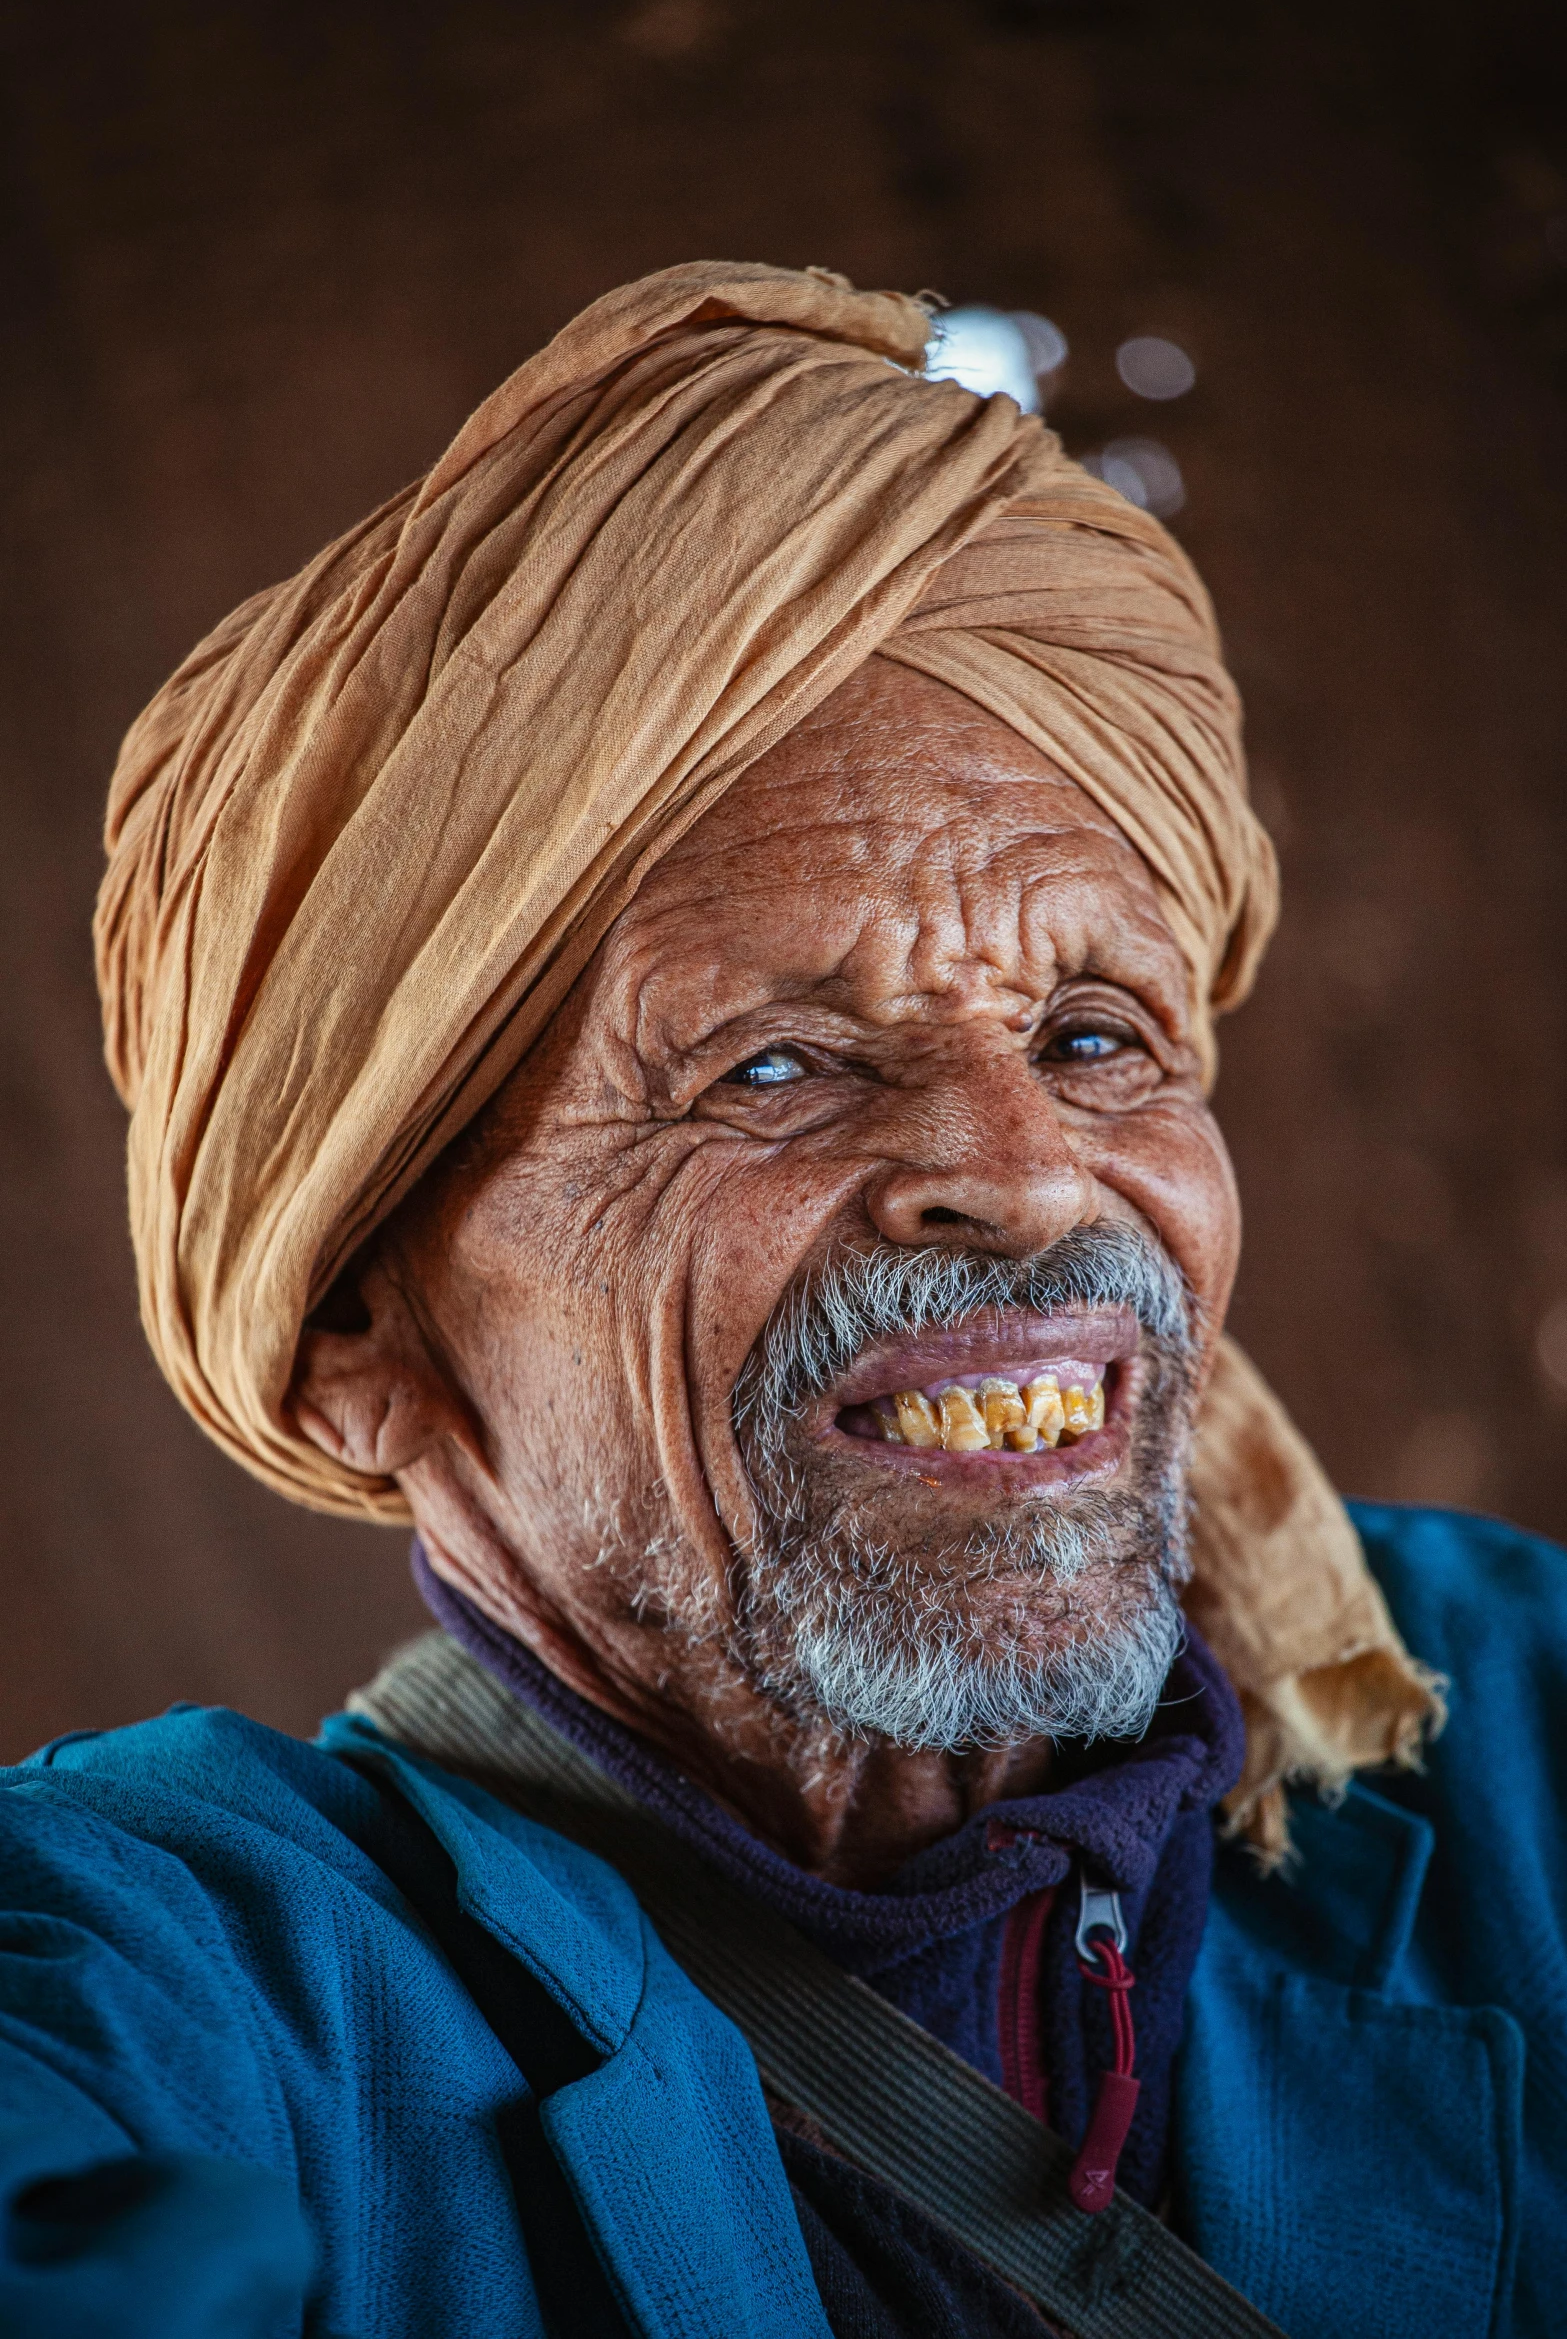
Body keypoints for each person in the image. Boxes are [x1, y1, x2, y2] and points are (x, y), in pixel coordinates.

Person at [2, 262, 1561, 2339]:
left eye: (1098, 1034)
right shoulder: (184, 1982)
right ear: (359, 1323)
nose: (1019, 1170)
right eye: (769, 1064)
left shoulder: (1516, 1739)